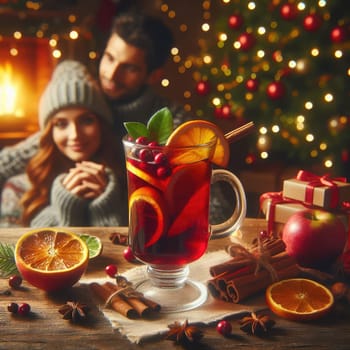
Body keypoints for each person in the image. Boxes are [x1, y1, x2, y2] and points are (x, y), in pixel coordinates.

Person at [0, 11, 189, 223]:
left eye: (129, 68)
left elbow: (201, 196)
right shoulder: (88, 97)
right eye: (109, 58)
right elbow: (34, 150)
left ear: (153, 75)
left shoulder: (169, 119)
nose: (111, 74)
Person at [1, 60, 127, 227]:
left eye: (86, 120)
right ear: (48, 132)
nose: (75, 135)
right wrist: (63, 210)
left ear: (101, 125)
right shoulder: (19, 188)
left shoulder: (126, 182)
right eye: (61, 124)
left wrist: (105, 207)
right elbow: (7, 252)